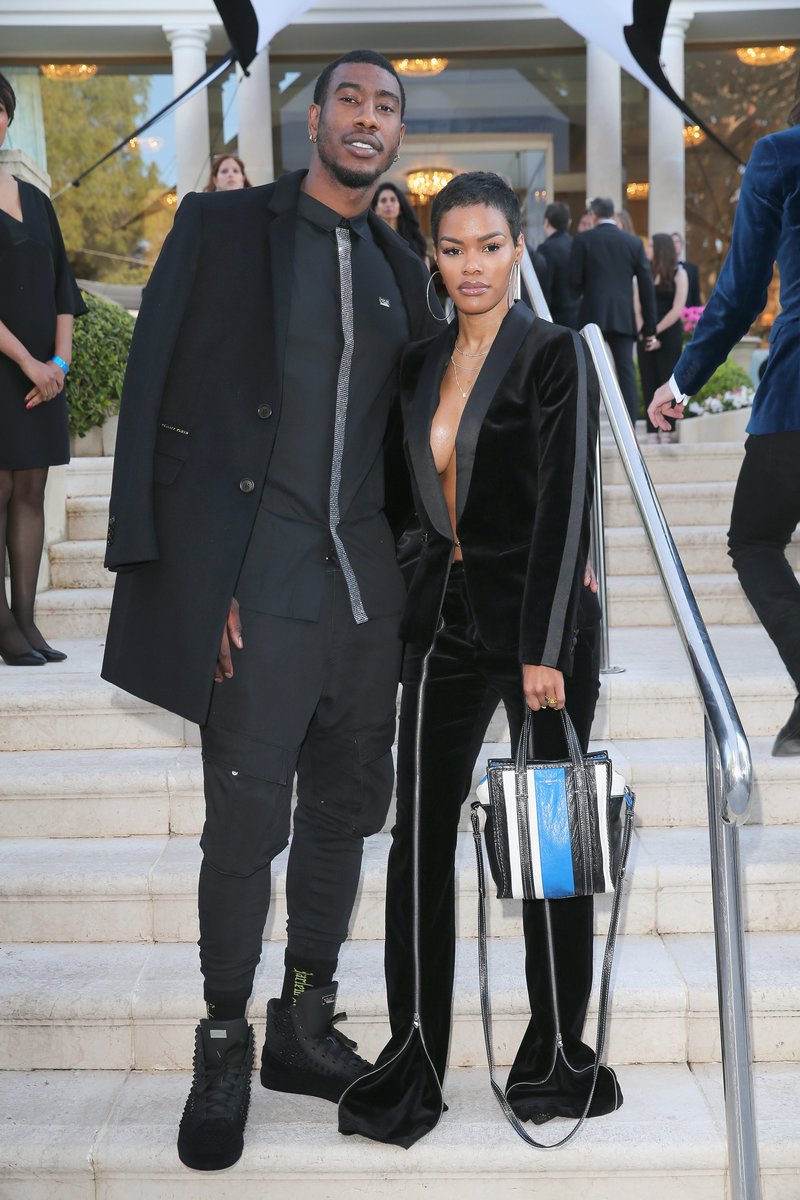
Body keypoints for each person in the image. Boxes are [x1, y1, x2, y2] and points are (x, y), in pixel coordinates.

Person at [101, 49, 437, 1172]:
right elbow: (151, 389)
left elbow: (430, 443)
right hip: (258, 591)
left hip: (363, 602)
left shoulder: (402, 264)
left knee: (346, 815)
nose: (367, 118)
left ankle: (302, 1020)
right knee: (245, 830)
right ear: (311, 120)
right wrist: (185, 583)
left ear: (394, 137)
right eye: (349, 98)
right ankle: (221, 1042)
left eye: (386, 106)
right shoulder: (222, 229)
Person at [338, 171, 621, 1148]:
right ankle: (413, 1051)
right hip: (440, 628)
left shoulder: (554, 356)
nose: (471, 265)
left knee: (549, 851)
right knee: (417, 842)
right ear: (432, 253)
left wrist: (543, 646)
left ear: (518, 249)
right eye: (453, 247)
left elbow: (566, 503)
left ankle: (551, 1053)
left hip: (536, 634)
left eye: (490, 246)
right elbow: (393, 506)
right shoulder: (417, 366)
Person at [649, 80, 800, 760]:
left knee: (756, 541)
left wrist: (681, 382)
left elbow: (739, 292)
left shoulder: (779, 155)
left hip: (796, 400)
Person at [0, 72, 86, 667]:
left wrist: (57, 362)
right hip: (9, 366)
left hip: (41, 372)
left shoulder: (36, 199)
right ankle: (2, 624)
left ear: (7, 119)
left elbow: (64, 288)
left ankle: (26, 622)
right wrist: (28, 361)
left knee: (31, 488)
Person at [569, 195, 658, 427]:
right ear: (613, 215)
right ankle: (628, 426)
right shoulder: (633, 242)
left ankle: (587, 424)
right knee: (626, 371)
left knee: (589, 371)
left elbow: (574, 282)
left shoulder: (583, 240)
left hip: (592, 315)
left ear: (593, 215)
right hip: (622, 315)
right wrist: (650, 327)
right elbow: (647, 286)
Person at [638, 233, 688, 443]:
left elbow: (677, 309)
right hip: (646, 334)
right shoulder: (645, 272)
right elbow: (636, 305)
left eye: (651, 245)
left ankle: (667, 430)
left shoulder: (679, 274)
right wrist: (647, 332)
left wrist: (656, 330)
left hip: (668, 334)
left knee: (668, 381)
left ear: (660, 249)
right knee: (648, 379)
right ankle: (651, 430)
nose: (647, 248)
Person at [536, 200, 580, 328]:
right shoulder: (577, 245)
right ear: (569, 222)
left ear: (546, 222)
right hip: (577, 313)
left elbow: (544, 287)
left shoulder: (546, 248)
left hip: (556, 316)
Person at [371, 180, 428, 262]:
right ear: (376, 209)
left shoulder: (412, 237)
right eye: (383, 200)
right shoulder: (369, 237)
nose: (388, 204)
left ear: (400, 207)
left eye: (393, 200)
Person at [671, 230, 701, 308]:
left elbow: (696, 297)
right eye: (672, 242)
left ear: (681, 245)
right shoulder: (662, 268)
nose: (675, 244)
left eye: (677, 242)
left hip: (687, 316)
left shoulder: (692, 269)